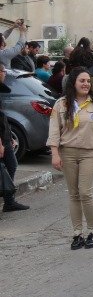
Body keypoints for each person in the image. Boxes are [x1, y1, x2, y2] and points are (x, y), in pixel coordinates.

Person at [47, 66, 93, 249]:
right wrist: (55, 154)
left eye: (88, 81)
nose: (86, 84)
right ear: (73, 83)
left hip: (89, 153)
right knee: (74, 194)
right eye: (82, 81)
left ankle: (92, 231)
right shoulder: (62, 104)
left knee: (85, 192)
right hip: (67, 152)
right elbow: (54, 130)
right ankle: (77, 234)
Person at [0, 63, 29, 212]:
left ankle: (9, 200)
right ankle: (8, 200)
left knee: (11, 165)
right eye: (3, 71)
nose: (5, 74)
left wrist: (8, 136)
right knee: (6, 167)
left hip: (5, 137)